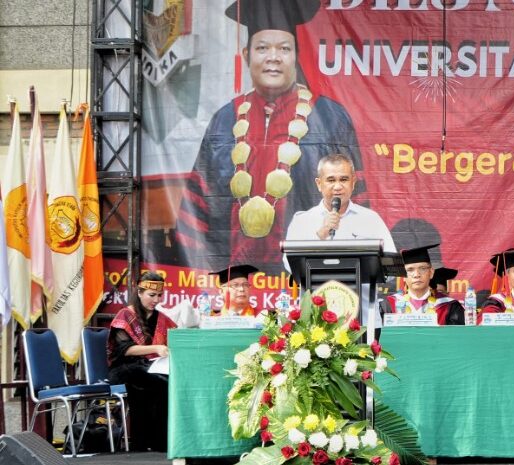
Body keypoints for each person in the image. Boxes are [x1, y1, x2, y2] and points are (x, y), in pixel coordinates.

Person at [176, 0, 364, 274]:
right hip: (235, 276)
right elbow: (199, 205)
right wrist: (200, 277)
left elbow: (354, 199)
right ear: (246, 54)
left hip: (306, 271)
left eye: (284, 49)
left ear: (296, 56)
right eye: (262, 48)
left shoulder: (330, 116)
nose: (273, 57)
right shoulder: (224, 119)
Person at [107, 272, 177, 452]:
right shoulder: (125, 315)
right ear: (139, 292)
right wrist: (155, 348)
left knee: (168, 381)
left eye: (159, 295)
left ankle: (161, 441)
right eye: (151, 295)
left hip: (150, 367)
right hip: (124, 368)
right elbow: (124, 350)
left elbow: (175, 340)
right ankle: (146, 442)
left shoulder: (162, 319)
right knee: (157, 381)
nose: (156, 300)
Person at [284, 153, 395, 250]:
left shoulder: (370, 219)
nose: (337, 186)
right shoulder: (302, 221)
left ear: (353, 182)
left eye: (343, 179)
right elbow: (289, 263)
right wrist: (321, 234)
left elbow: (391, 264)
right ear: (319, 184)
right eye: (331, 180)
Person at [384, 244, 465, 325]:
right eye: (410, 270)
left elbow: (458, 336)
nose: (416, 275)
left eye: (422, 269)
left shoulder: (450, 306)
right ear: (403, 276)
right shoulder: (389, 305)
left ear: (431, 273)